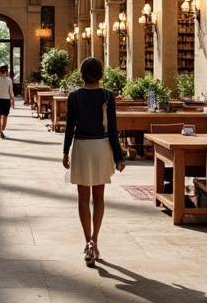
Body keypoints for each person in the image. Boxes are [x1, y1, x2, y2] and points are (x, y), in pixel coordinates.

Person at [61, 57, 126, 267]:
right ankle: (95, 241)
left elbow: (70, 126)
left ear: (81, 73)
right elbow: (113, 129)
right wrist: (119, 157)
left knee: (83, 197)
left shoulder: (74, 96)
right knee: (98, 197)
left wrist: (65, 152)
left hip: (81, 146)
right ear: (100, 74)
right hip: (101, 147)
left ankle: (87, 240)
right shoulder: (108, 96)